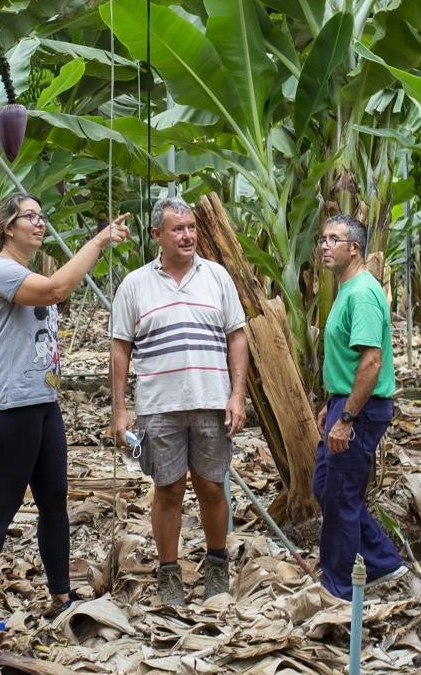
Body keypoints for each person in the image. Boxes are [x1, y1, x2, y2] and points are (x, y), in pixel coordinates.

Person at [0, 192, 130, 636]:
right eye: (28, 216)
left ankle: (62, 595)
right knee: (1, 509)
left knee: (54, 503)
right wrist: (99, 241)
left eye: (41, 215)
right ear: (8, 227)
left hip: (41, 403)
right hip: (11, 405)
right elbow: (56, 290)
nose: (39, 222)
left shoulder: (24, 270)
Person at [109, 197, 248, 606]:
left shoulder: (217, 277)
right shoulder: (135, 285)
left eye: (191, 227)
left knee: (210, 484)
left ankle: (217, 564)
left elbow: (236, 335)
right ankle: (169, 573)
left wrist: (237, 395)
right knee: (168, 489)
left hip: (211, 399)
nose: (187, 235)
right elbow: (120, 348)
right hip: (159, 404)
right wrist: (120, 410)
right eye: (177, 229)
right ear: (157, 235)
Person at [313, 215, 407, 600]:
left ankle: (338, 588)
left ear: (355, 248)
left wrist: (347, 416)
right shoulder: (347, 290)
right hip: (345, 402)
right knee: (326, 487)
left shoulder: (363, 294)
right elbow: (351, 361)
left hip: (362, 410)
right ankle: (383, 562)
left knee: (340, 496)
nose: (324, 245)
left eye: (334, 239)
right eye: (322, 239)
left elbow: (372, 362)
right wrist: (333, 402)